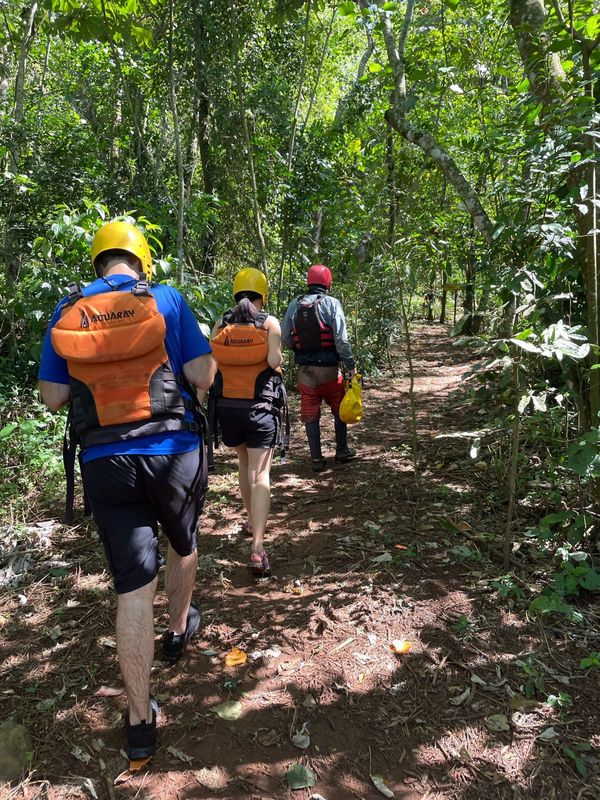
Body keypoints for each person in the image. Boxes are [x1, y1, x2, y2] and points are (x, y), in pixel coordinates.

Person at [37, 220, 216, 761]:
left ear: (97, 263)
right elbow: (203, 373)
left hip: (105, 463)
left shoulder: (69, 310)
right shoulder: (166, 299)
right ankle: (180, 629)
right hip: (173, 454)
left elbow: (51, 397)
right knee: (183, 544)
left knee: (133, 589)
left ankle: (140, 721)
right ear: (142, 260)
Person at [209, 268, 283, 577]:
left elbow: (212, 364)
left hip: (228, 410)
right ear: (262, 295)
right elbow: (275, 362)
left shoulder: (221, 324)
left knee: (243, 465)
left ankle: (252, 520)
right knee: (260, 473)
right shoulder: (269, 324)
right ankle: (257, 547)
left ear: (236, 294)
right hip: (260, 409)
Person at [281, 264, 357, 471]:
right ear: (328, 283)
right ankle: (342, 451)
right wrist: (351, 366)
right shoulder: (332, 303)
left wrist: (301, 349)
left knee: (310, 411)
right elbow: (341, 339)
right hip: (330, 372)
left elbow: (285, 338)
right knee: (339, 409)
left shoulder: (294, 304)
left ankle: (316, 459)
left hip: (305, 371)